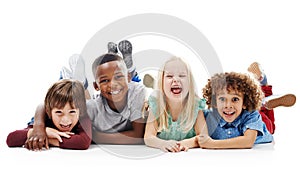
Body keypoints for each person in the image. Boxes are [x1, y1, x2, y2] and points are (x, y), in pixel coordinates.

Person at [144, 56, 207, 152]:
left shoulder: (196, 105)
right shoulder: (156, 104)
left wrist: (183, 144)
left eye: (182, 76)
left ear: (189, 83)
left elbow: (204, 137)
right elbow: (148, 137)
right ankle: (154, 84)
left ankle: (154, 83)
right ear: (162, 82)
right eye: (169, 76)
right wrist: (163, 144)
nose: (176, 80)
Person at [6, 79, 92, 150]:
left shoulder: (83, 117)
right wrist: (39, 131)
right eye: (59, 112)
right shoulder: (46, 118)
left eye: (72, 112)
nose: (66, 119)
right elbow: (11, 139)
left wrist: (46, 137)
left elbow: (83, 142)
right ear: (49, 112)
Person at [198, 72, 274, 149]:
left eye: (235, 99)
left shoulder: (251, 115)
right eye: (222, 99)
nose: (228, 106)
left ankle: (265, 88)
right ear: (215, 102)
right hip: (239, 111)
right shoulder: (209, 116)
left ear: (245, 102)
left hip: (264, 125)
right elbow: (200, 138)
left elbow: (248, 141)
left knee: (269, 122)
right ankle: (265, 101)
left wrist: (212, 144)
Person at [87, 53, 147, 144]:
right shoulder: (92, 107)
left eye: (118, 77)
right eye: (105, 80)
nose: (113, 84)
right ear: (96, 86)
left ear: (128, 77)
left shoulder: (137, 92)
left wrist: (96, 137)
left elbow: (138, 135)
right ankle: (81, 83)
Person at [247, 62, 296, 134]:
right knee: (257, 107)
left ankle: (262, 81)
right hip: (265, 126)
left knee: (257, 109)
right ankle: (262, 79)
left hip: (266, 126)